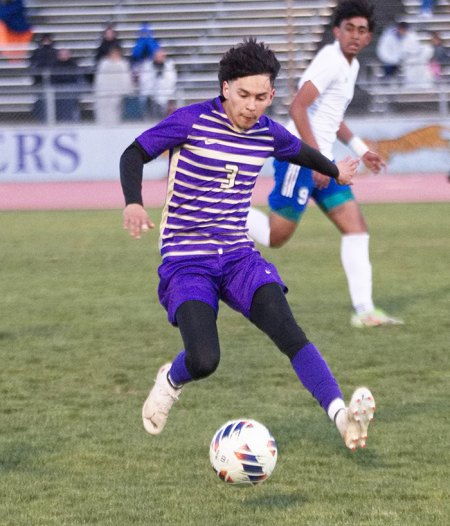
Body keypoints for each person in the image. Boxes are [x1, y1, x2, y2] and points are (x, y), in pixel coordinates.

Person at [119, 38, 376, 451]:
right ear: (225, 88)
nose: (251, 106)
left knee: (288, 331)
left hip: (239, 257)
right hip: (187, 261)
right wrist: (133, 202)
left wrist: (335, 171)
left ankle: (342, 416)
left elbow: (300, 153)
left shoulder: (266, 132)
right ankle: (170, 380)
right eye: (243, 95)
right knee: (204, 360)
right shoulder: (189, 120)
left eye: (261, 97)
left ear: (271, 94)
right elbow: (133, 154)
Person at [247, 0, 403, 329]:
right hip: (299, 158)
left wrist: (361, 149)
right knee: (276, 237)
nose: (356, 36)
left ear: (369, 37)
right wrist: (317, 159)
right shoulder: (331, 60)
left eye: (362, 31)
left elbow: (332, 116)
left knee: (356, 229)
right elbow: (299, 107)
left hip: (323, 160)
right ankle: (219, 209)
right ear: (337, 31)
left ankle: (365, 311)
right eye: (350, 29)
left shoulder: (351, 66)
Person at [95, 44, 134, 125]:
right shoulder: (104, 63)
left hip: (119, 93)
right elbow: (100, 79)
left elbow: (126, 78)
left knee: (118, 113)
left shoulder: (123, 63)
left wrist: (127, 90)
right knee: (104, 112)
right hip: (105, 93)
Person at [137, 48, 177, 119]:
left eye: (161, 56)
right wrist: (154, 76)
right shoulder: (147, 66)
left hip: (165, 96)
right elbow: (144, 81)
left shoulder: (169, 66)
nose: (159, 58)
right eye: (157, 56)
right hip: (151, 97)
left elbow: (172, 81)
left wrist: (162, 78)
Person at [50, 48, 83, 122]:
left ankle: (74, 122)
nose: (64, 56)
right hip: (58, 89)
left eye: (66, 54)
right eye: (62, 54)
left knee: (72, 108)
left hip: (71, 89)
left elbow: (78, 78)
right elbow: (53, 79)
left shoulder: (74, 65)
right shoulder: (54, 65)